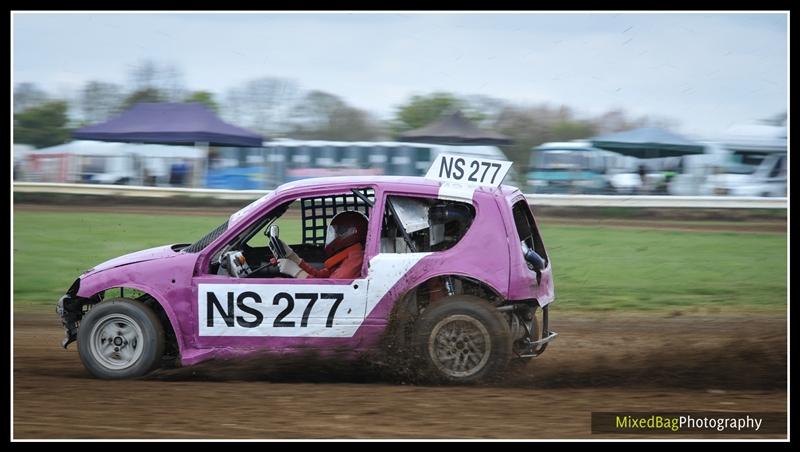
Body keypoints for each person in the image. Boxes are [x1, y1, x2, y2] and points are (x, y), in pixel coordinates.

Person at [276, 211, 367, 279]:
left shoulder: (355, 260)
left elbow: (330, 290)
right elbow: (320, 276)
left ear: (350, 232)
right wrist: (293, 257)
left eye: (335, 231)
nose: (332, 236)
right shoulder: (350, 255)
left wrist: (296, 272)